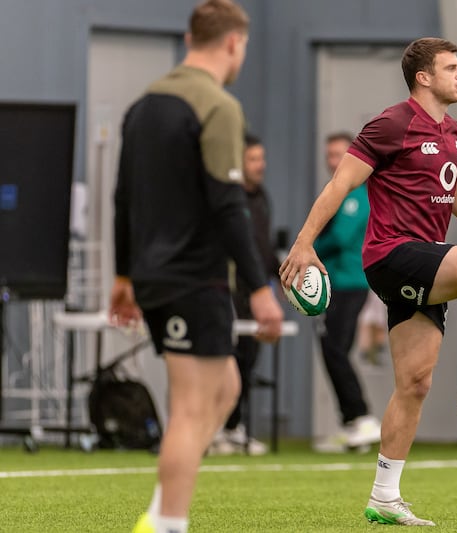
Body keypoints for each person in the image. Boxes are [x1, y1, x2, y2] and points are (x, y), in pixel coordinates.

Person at [279, 37, 457, 527]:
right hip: (392, 253)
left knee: (414, 383)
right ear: (423, 77)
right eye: (450, 68)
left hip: (420, 261)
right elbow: (341, 184)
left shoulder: (453, 131)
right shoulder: (392, 124)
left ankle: (385, 497)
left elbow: (453, 190)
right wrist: (305, 242)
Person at [109, 2, 284, 532]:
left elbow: (122, 200)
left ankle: (160, 514)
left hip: (156, 278)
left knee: (226, 387)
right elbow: (229, 207)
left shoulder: (142, 105)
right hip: (194, 279)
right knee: (190, 408)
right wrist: (258, 287)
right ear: (232, 43)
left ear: (191, 37)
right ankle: (168, 524)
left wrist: (123, 276)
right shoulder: (218, 106)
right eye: (245, 48)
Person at [209, 132, 279, 456]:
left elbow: (262, 249)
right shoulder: (230, 199)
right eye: (253, 159)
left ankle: (234, 428)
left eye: (262, 158)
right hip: (229, 289)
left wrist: (281, 274)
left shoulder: (262, 197)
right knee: (225, 359)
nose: (260, 165)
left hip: (257, 292)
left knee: (248, 360)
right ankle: (214, 429)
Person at [312, 132, 381, 453]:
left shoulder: (357, 195)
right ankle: (352, 424)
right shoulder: (341, 193)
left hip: (349, 283)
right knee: (333, 349)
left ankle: (362, 417)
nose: (332, 161)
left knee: (334, 349)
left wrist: (307, 249)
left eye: (338, 154)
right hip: (340, 283)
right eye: (328, 155)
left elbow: (338, 239)